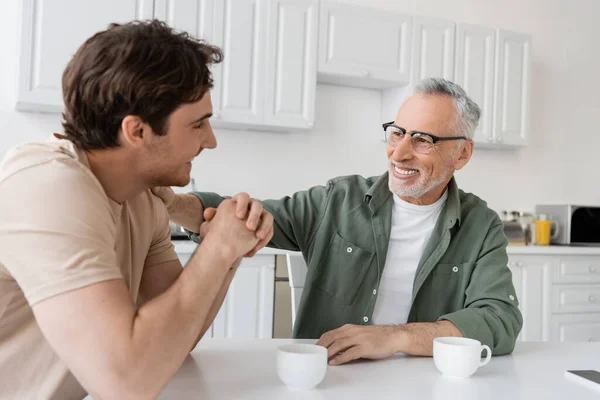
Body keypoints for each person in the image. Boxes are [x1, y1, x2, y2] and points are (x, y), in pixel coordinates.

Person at [159, 78, 523, 366]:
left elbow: (500, 319)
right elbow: (244, 216)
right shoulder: (338, 199)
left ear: (462, 153)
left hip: (423, 380)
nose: (398, 152)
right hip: (329, 375)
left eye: (423, 139)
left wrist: (394, 337)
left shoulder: (481, 225)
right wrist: (170, 203)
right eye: (396, 132)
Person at [0, 20, 273, 399]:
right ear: (137, 131)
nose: (210, 142)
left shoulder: (144, 199)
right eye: (198, 124)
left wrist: (228, 252)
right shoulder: (46, 185)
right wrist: (217, 250)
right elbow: (126, 382)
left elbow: (173, 344)